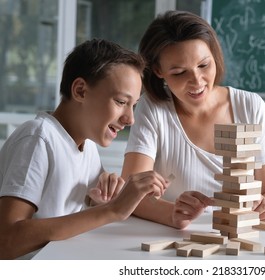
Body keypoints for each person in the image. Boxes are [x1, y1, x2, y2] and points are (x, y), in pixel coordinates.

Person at [0, 39, 169, 260]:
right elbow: (6, 242)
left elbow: (88, 198)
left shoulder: (86, 145)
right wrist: (112, 210)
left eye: (133, 105)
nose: (130, 119)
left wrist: (101, 196)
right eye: (120, 102)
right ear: (80, 90)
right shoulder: (38, 139)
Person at [122, 10, 265, 230]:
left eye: (204, 65)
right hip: (176, 240)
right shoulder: (152, 108)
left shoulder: (251, 106)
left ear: (214, 56)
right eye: (179, 72)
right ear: (159, 70)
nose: (197, 81)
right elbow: (129, 195)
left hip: (239, 238)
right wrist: (173, 214)